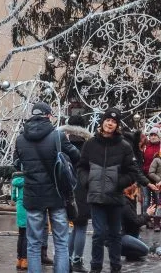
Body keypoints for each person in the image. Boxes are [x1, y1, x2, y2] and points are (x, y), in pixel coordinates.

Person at [77, 108, 146, 273]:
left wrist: (118, 183)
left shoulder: (124, 146)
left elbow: (131, 171)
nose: (110, 123)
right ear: (103, 122)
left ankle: (116, 267)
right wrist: (88, 181)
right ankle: (96, 267)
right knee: (98, 234)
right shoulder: (90, 144)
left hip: (115, 198)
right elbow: (81, 167)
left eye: (114, 122)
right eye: (108, 120)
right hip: (96, 196)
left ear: (117, 125)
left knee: (115, 235)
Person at [13, 101, 80, 273]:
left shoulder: (20, 139)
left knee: (33, 244)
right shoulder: (57, 136)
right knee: (61, 242)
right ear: (49, 115)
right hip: (57, 195)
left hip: (33, 196)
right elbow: (76, 156)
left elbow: (16, 164)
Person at [62, 114, 93, 272]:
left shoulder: (62, 144)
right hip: (82, 191)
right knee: (80, 227)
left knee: (71, 227)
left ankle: (66, 259)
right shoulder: (89, 146)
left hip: (65, 191)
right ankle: (77, 261)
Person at [119, 183, 150, 263]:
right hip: (121, 236)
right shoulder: (125, 203)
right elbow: (136, 222)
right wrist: (147, 214)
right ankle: (119, 251)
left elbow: (133, 221)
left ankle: (129, 251)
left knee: (140, 242)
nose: (138, 194)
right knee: (145, 250)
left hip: (126, 233)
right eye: (136, 192)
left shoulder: (128, 201)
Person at [11, 171, 28, 271]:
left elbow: (14, 197)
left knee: (21, 235)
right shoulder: (27, 181)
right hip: (26, 208)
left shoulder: (15, 182)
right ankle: (25, 260)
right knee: (26, 236)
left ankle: (19, 260)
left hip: (19, 208)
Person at [147, 143, 161, 231]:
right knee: (158, 204)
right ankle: (156, 224)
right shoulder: (156, 160)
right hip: (159, 187)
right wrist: (159, 180)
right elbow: (151, 172)